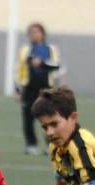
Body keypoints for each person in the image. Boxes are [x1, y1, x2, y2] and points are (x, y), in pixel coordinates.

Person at [16, 23, 61, 155]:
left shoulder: (51, 49)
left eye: (37, 32)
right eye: (31, 32)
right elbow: (19, 69)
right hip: (29, 87)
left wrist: (42, 62)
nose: (34, 35)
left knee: (48, 116)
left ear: (43, 33)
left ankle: (50, 145)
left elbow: (56, 65)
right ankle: (31, 145)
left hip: (46, 88)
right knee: (28, 117)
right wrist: (18, 89)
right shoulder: (25, 50)